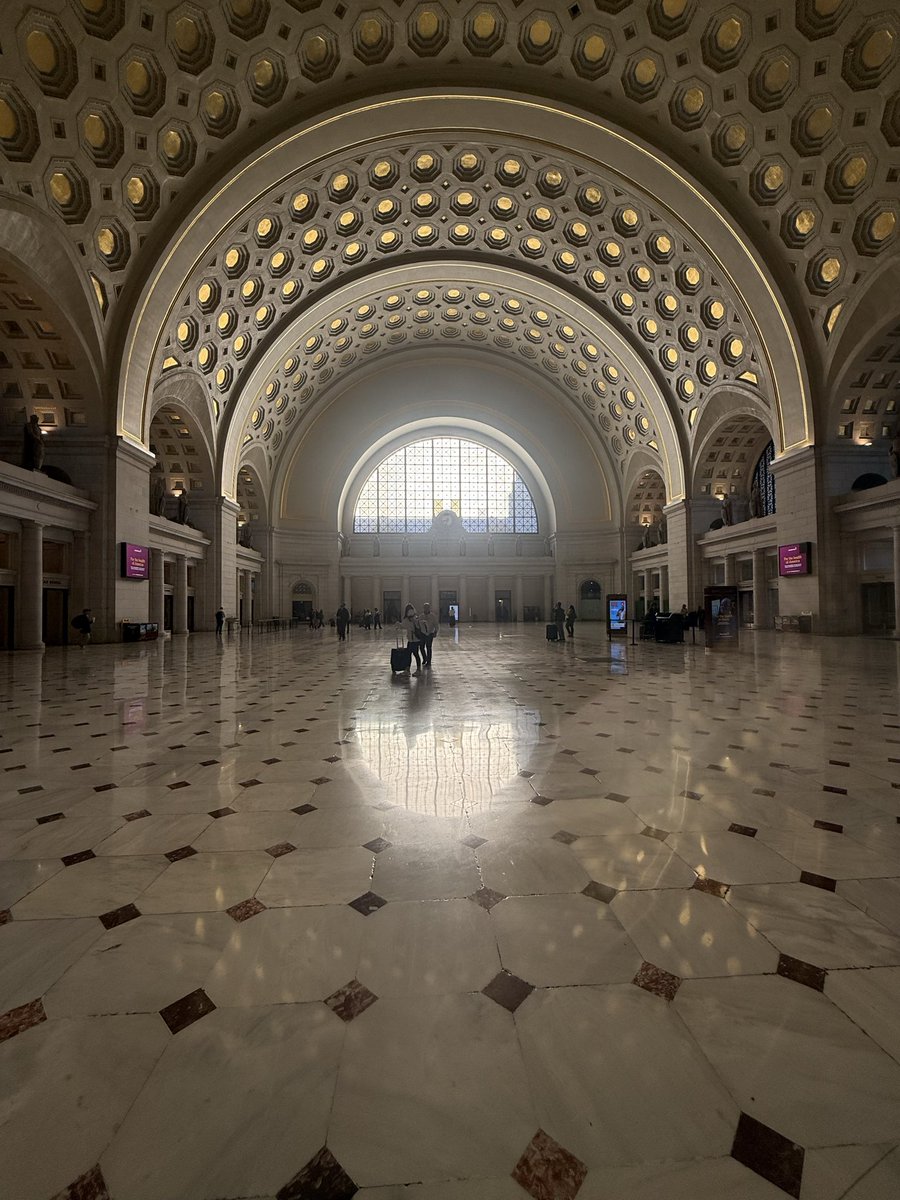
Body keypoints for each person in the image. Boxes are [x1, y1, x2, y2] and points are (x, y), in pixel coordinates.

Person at [399, 603, 422, 673]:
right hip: (415, 639)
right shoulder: (416, 618)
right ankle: (414, 668)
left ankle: (411, 669)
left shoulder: (408, 619)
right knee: (413, 654)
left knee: (410, 654)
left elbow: (403, 626)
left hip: (413, 639)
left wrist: (398, 624)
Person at [418, 601, 439, 667]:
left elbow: (436, 624)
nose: (426, 608)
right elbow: (418, 625)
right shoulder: (421, 616)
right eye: (425, 607)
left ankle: (429, 661)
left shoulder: (433, 616)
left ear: (429, 608)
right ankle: (425, 658)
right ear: (423, 608)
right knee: (421, 647)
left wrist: (435, 632)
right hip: (422, 633)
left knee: (428, 647)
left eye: (427, 607)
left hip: (430, 633)